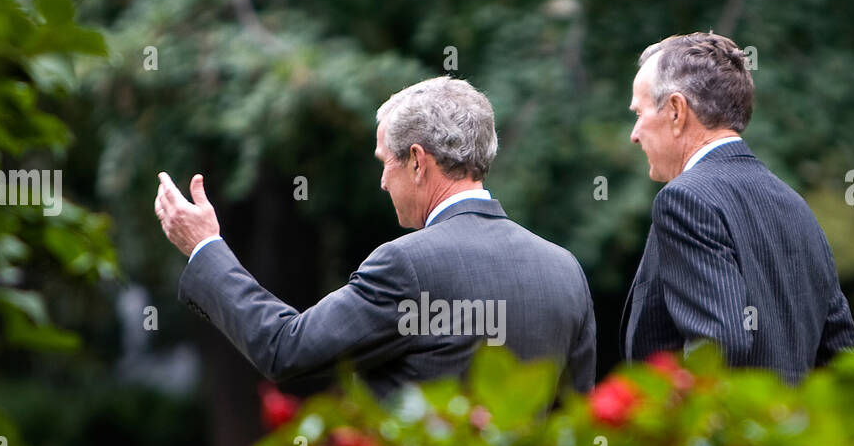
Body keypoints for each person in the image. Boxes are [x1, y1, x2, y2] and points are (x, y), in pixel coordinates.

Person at [153, 76, 597, 401]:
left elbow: (286, 349)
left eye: (386, 162)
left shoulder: (408, 267)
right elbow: (572, 424)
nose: (383, 182)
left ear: (418, 162)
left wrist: (205, 247)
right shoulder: (564, 269)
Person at [621, 32, 854, 383]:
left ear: (676, 110)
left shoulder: (685, 200)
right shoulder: (796, 206)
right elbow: (842, 357)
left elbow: (717, 348)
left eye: (639, 113)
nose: (634, 133)